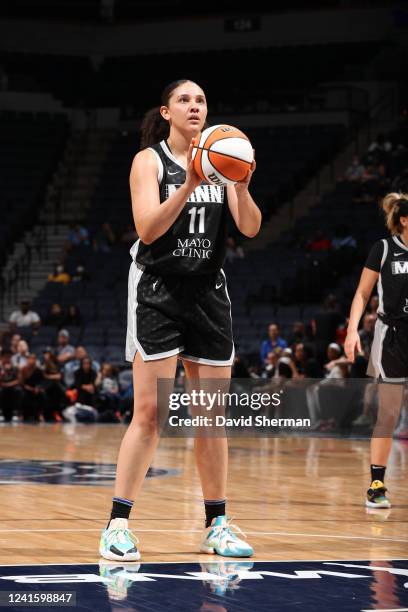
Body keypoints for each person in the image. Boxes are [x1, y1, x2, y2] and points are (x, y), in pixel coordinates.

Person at [99, 79, 261, 561]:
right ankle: (117, 524)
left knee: (212, 417)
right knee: (150, 414)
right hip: (158, 289)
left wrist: (242, 186)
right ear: (166, 113)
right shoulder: (148, 161)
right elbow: (148, 229)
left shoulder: (222, 160)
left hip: (208, 291)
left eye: (201, 101)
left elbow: (249, 227)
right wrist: (189, 184)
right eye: (184, 101)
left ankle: (218, 523)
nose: (194, 107)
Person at [344, 192, 408, 509]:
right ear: (404, 220)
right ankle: (377, 484)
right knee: (389, 414)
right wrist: (352, 330)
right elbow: (361, 293)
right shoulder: (384, 249)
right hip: (393, 337)